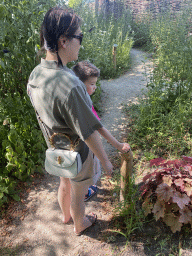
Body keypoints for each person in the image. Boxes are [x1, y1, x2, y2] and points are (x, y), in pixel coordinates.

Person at [27, 6, 130, 236]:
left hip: (56, 149)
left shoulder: (36, 74)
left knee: (64, 182)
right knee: (78, 190)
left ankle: (65, 217)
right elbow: (89, 132)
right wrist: (105, 162)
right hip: (77, 154)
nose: (81, 42)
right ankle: (79, 223)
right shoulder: (71, 84)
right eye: (79, 37)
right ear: (64, 40)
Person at [73, 61, 131, 201]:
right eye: (92, 84)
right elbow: (99, 128)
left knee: (72, 173)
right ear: (80, 84)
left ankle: (76, 196)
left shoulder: (73, 99)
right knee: (84, 173)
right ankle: (85, 193)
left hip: (70, 145)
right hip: (84, 146)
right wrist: (117, 145)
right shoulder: (85, 104)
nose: (95, 87)